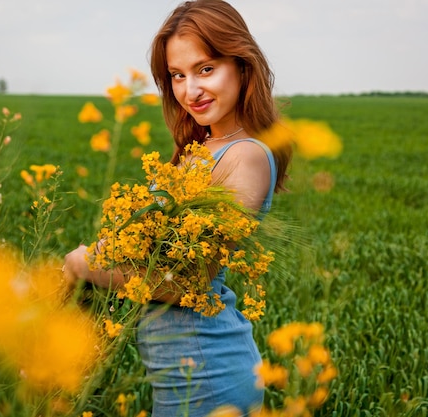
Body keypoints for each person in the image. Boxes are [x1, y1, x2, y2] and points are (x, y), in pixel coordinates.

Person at [63, 0, 293, 415]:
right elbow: (155, 256)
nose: (191, 90)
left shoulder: (246, 157)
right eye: (177, 75)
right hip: (178, 370)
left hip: (209, 373)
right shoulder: (199, 149)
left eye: (206, 69)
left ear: (242, 65)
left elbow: (188, 283)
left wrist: (85, 264)